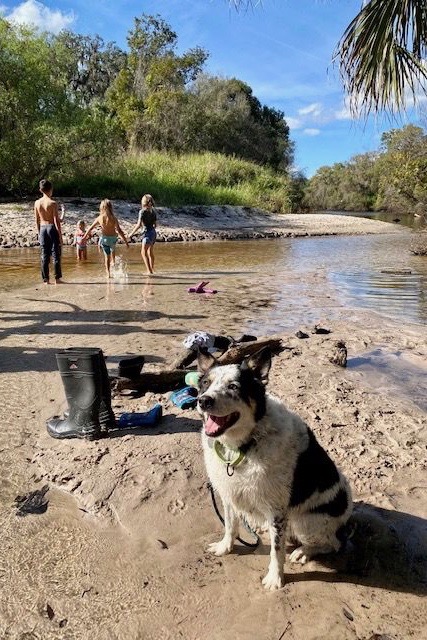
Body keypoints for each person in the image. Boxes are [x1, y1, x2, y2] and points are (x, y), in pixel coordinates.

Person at [82, 199, 129, 278]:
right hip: (113, 239)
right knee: (113, 249)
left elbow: (90, 228)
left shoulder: (100, 218)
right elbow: (119, 230)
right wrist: (126, 241)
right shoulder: (114, 218)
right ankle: (113, 261)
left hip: (105, 240)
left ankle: (108, 274)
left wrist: (84, 236)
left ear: (101, 208)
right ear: (111, 207)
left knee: (107, 257)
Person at [34, 179, 63, 284]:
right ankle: (57, 278)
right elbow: (56, 221)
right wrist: (60, 235)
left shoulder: (37, 203)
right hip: (51, 228)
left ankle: (45, 279)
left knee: (44, 255)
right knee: (55, 253)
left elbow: (36, 219)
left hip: (42, 228)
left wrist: (39, 232)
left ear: (40, 190)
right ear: (51, 189)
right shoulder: (53, 203)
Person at [129, 194, 157, 274]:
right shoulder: (153, 211)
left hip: (147, 234)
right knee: (150, 251)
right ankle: (152, 269)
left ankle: (149, 271)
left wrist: (131, 234)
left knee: (143, 252)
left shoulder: (142, 212)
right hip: (153, 233)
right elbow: (155, 225)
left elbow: (138, 225)